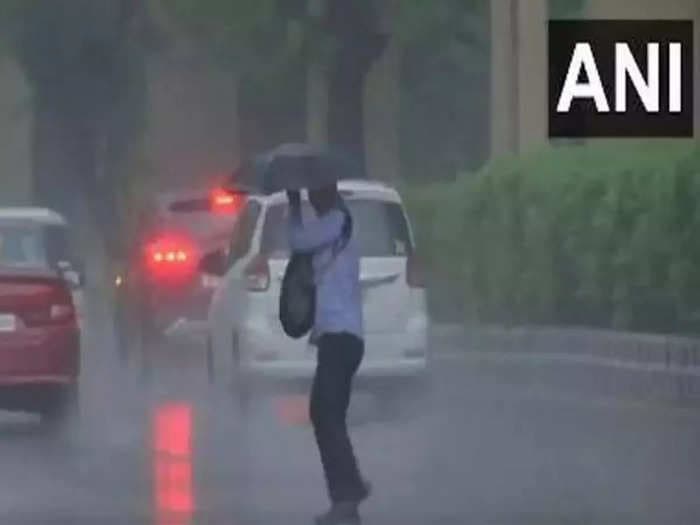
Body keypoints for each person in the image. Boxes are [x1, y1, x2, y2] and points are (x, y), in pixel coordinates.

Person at [287, 184, 371, 525]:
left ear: (329, 194)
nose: (311, 198)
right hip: (339, 337)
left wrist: (293, 208)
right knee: (327, 415)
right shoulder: (336, 225)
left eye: (314, 193)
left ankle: (346, 497)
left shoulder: (336, 221)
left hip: (341, 336)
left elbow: (298, 241)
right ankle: (349, 492)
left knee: (325, 414)